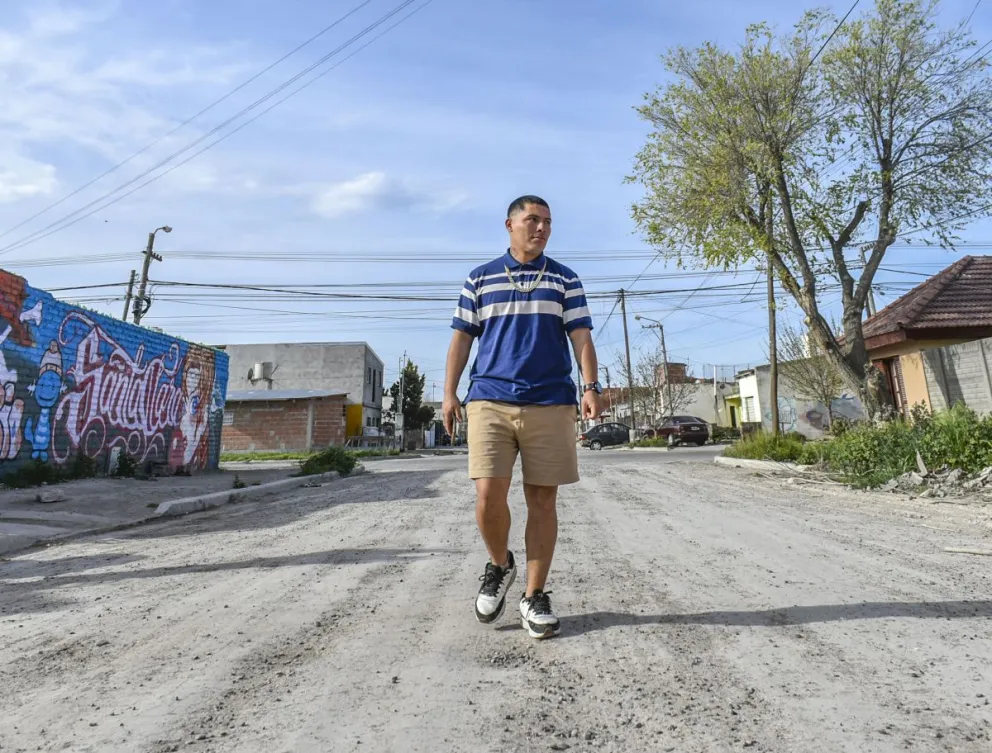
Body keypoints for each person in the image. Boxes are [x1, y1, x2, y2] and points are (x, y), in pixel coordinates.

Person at [442, 195, 602, 639]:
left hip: (550, 401)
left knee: (542, 501)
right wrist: (449, 393)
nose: (541, 228)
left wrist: (590, 388)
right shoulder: (480, 278)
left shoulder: (565, 279)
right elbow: (461, 341)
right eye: (532, 219)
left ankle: (534, 595)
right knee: (488, 497)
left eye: (548, 222)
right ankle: (499, 565)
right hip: (489, 398)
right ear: (509, 224)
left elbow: (582, 338)